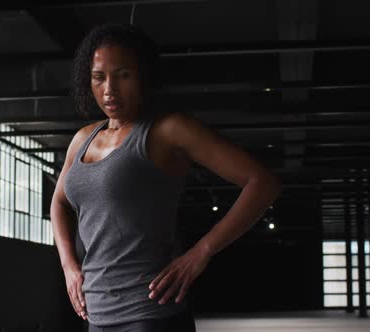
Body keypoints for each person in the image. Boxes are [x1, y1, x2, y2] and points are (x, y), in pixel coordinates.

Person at [50, 23, 282, 332]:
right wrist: (69, 266)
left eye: (123, 75)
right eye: (99, 77)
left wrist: (202, 252)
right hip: (97, 314)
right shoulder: (83, 139)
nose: (109, 89)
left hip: (150, 313)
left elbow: (263, 183)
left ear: (144, 76)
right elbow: (59, 202)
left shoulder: (167, 131)